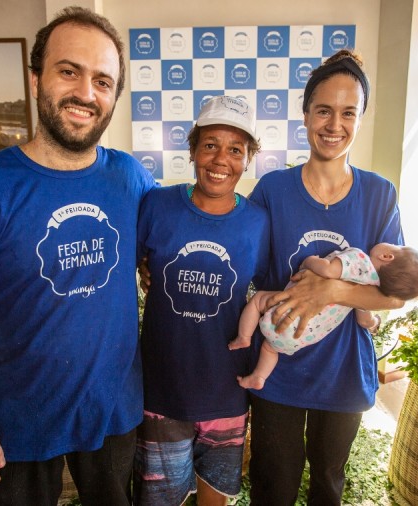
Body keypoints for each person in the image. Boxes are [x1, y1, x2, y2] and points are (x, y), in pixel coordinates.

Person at [0, 7, 157, 505]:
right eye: (70, 72)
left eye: (103, 81)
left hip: (111, 410)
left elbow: (163, 249)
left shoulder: (130, 178)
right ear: (36, 77)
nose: (86, 93)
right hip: (14, 420)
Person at [245, 50, 406, 505]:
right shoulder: (273, 190)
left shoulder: (379, 195)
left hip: (344, 371)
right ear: (306, 114)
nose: (334, 124)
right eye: (323, 110)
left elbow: (393, 296)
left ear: (361, 118)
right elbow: (243, 263)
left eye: (348, 112)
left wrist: (332, 289)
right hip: (279, 369)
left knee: (328, 483)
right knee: (273, 482)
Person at [133, 96, 268, 506]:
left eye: (235, 150)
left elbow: (267, 294)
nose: (220, 159)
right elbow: (134, 260)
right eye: (210, 144)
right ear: (192, 150)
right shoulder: (156, 205)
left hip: (226, 388)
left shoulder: (258, 223)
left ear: (248, 160)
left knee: (215, 497)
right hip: (162, 390)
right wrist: (144, 267)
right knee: (160, 499)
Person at [231, 244, 418, 390]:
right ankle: (259, 376)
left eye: (398, 246)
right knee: (270, 348)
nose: (394, 243)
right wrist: (374, 323)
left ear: (388, 256)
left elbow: (328, 270)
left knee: (258, 300)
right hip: (301, 338)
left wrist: (309, 261)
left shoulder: (359, 259)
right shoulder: (372, 290)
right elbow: (364, 320)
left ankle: (243, 337)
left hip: (283, 314)